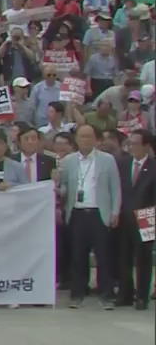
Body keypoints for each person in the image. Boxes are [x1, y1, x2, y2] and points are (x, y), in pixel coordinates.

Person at [58, 124, 123, 309]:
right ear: (76, 140)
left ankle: (106, 295)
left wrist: (115, 211)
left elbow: (115, 188)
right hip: (77, 213)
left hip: (99, 212)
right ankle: (78, 293)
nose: (85, 140)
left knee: (104, 256)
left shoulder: (107, 160)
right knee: (78, 256)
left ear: (96, 139)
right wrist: (57, 185)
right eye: (81, 136)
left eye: (89, 136)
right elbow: (64, 189)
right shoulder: (68, 161)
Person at [115, 129, 154, 309]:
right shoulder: (122, 163)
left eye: (136, 144)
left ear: (146, 146)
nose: (132, 148)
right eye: (129, 144)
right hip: (124, 216)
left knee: (143, 259)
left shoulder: (153, 166)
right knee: (123, 257)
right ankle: (125, 294)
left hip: (146, 217)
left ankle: (142, 296)